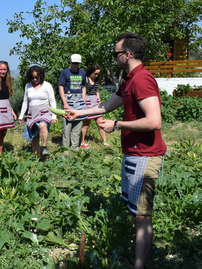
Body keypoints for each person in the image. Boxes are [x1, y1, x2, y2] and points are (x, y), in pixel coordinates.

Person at [66, 33, 167, 269]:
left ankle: (138, 266)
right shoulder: (129, 79)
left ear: (128, 55)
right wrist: (78, 113)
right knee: (136, 212)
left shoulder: (142, 80)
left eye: (116, 54)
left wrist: (117, 125)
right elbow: (106, 105)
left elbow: (154, 121)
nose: (114, 59)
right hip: (134, 153)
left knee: (142, 216)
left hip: (146, 155)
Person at [18, 65, 57, 157]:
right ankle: (37, 158)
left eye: (36, 77)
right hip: (32, 113)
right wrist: (21, 115)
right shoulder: (28, 86)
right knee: (34, 136)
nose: (35, 79)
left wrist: (54, 116)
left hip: (45, 112)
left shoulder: (47, 85)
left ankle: (44, 148)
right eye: (32, 77)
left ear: (41, 76)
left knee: (42, 125)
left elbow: (52, 101)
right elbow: (25, 101)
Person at [58, 54, 87, 150]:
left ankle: (75, 148)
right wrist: (65, 103)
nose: (75, 65)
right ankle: (66, 149)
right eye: (74, 63)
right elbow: (61, 87)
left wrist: (83, 99)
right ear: (70, 61)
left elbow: (84, 86)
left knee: (78, 125)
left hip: (79, 100)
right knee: (67, 126)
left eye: (77, 63)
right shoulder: (65, 72)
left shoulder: (82, 72)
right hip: (68, 99)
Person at [0, 60, 17, 158]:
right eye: (1, 69)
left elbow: (7, 99)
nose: (3, 71)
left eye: (5, 69)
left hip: (6, 109)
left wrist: (12, 112)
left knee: (3, 134)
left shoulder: (8, 81)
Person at [80, 64, 110, 148]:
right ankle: (82, 142)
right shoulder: (85, 79)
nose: (96, 75)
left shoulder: (96, 80)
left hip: (95, 102)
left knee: (100, 123)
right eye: (95, 73)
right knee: (86, 124)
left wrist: (99, 101)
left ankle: (104, 141)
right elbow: (84, 90)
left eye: (98, 74)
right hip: (88, 102)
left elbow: (97, 91)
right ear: (91, 72)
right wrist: (84, 101)